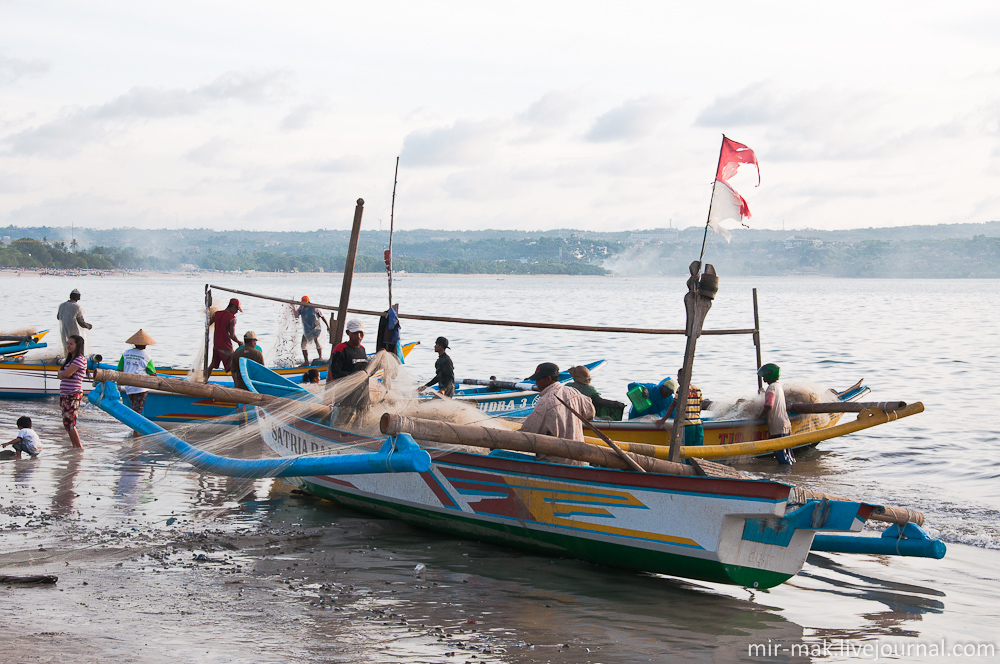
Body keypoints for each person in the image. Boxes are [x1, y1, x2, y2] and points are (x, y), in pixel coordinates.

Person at [520, 362, 595, 465]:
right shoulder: (574, 392)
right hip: (579, 460)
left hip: (554, 462)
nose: (536, 383)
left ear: (548, 379)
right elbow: (591, 413)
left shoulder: (545, 401)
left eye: (538, 380)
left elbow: (527, 433)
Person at [116, 329, 157, 434]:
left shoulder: (126, 354)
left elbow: (120, 370)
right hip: (141, 388)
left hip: (129, 387)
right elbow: (152, 374)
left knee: (135, 410)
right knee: (138, 413)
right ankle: (136, 435)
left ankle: (136, 433)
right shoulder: (147, 357)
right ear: (145, 345)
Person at [326, 319, 370, 415]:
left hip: (362, 394)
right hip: (345, 395)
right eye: (355, 333)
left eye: (361, 333)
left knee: (361, 418)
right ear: (348, 333)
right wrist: (353, 376)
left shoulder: (362, 349)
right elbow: (334, 374)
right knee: (342, 419)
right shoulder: (341, 349)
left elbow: (365, 371)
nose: (358, 336)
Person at [757, 363, 794, 464]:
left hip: (777, 426)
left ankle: (783, 476)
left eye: (764, 375)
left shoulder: (771, 388)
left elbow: (769, 405)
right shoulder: (779, 386)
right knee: (789, 454)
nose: (763, 378)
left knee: (781, 456)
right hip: (785, 423)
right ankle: (791, 474)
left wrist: (759, 416)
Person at [658, 369, 703, 446]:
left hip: (688, 426)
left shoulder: (681, 389)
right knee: (698, 450)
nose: (677, 379)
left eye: (678, 377)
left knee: (687, 451)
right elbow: (700, 405)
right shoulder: (697, 389)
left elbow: (673, 406)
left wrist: (663, 420)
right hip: (698, 425)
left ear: (683, 377)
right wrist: (697, 417)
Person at [58, 334, 87, 449]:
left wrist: (62, 374)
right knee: (66, 422)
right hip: (65, 394)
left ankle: (78, 446)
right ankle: (75, 446)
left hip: (73, 394)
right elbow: (60, 374)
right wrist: (62, 374)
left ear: (77, 345)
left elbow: (65, 374)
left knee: (70, 422)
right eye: (68, 343)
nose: (68, 346)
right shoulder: (70, 359)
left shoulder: (80, 359)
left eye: (71, 344)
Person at [208, 298, 242, 377]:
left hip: (216, 346)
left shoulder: (216, 314)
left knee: (212, 365)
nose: (236, 312)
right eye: (237, 310)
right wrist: (239, 342)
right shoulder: (232, 318)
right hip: (225, 346)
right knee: (233, 368)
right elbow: (232, 335)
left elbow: (209, 323)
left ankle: (204, 380)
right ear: (233, 307)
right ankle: (237, 387)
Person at [56, 288, 93, 354]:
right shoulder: (77, 307)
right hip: (75, 333)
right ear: (78, 297)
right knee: (77, 349)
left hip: (64, 332)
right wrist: (88, 326)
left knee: (68, 348)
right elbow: (81, 322)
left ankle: (68, 361)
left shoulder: (62, 305)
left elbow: (59, 317)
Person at [294, 296, 328, 365]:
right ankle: (306, 361)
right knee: (303, 344)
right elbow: (296, 315)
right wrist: (293, 308)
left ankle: (320, 357)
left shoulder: (314, 307)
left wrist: (328, 326)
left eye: (305, 303)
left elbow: (322, 316)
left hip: (316, 328)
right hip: (307, 330)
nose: (304, 305)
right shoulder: (301, 308)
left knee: (316, 339)